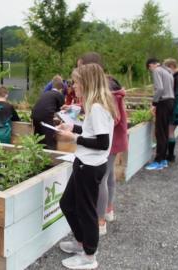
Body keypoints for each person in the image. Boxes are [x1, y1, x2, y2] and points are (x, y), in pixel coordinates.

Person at [56, 63, 116, 270]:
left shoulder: (98, 107)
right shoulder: (96, 105)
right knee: (67, 204)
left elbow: (102, 143)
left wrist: (73, 136)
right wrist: (73, 126)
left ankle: (89, 257)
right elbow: (93, 132)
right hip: (84, 163)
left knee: (86, 212)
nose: (73, 86)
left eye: (76, 82)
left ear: (87, 83)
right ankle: (81, 243)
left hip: (89, 167)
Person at [77, 52, 128, 236]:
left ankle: (100, 221)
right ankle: (108, 210)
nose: (77, 71)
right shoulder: (108, 85)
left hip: (109, 140)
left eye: (80, 67)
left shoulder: (106, 89)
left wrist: (86, 127)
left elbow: (109, 119)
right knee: (109, 175)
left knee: (103, 179)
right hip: (115, 137)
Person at [145, 58, 175, 170]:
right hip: (171, 102)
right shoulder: (168, 71)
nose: (150, 70)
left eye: (149, 68)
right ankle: (163, 160)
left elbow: (160, 89)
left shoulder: (157, 70)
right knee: (165, 132)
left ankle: (158, 161)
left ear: (151, 65)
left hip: (163, 102)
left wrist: (154, 104)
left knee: (160, 133)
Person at [31, 76, 65, 149]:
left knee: (38, 138)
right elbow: (62, 111)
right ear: (61, 88)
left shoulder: (45, 93)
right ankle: (51, 154)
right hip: (45, 117)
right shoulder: (59, 95)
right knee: (49, 140)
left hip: (35, 116)